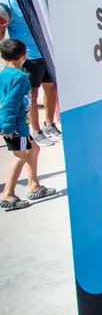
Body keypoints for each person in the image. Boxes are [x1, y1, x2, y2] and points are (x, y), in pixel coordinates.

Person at [0, 39, 56, 210]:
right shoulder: (20, 77)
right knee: (21, 155)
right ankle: (8, 194)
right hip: (17, 126)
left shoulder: (5, 73)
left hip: (16, 125)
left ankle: (34, 186)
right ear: (23, 57)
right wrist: (8, 126)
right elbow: (11, 102)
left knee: (34, 149)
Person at [0, 0, 59, 147]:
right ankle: (36, 131)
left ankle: (49, 125)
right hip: (27, 56)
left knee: (51, 88)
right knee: (32, 94)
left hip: (46, 52)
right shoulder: (5, 3)